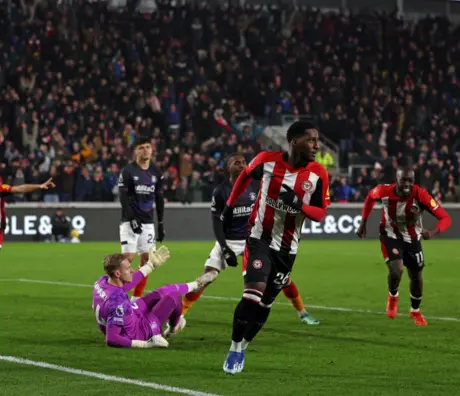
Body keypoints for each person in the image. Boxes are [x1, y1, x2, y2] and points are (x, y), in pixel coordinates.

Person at [220, 120, 330, 374]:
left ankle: (244, 344)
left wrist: (299, 205)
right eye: (311, 140)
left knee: (266, 302)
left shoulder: (318, 174)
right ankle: (235, 346)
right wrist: (229, 206)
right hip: (260, 238)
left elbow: (320, 214)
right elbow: (245, 176)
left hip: (287, 249)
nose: (316, 145)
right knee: (253, 293)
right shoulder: (266, 160)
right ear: (294, 141)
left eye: (317, 140)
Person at [177, 153, 320, 334]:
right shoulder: (220, 191)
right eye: (236, 162)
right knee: (207, 278)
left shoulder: (258, 185)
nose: (242, 164)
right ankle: (179, 315)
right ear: (228, 168)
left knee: (281, 278)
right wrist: (225, 248)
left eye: (244, 162)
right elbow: (217, 222)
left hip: (253, 239)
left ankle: (302, 312)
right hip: (228, 240)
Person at [355, 167, 451, 326]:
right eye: (403, 180)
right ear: (396, 180)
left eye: (410, 181)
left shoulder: (421, 195)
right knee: (396, 270)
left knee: (417, 277)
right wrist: (363, 223)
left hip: (413, 239)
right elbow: (370, 197)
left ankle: (415, 311)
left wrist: (432, 233)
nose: (407, 184)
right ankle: (393, 296)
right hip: (390, 235)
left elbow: (446, 219)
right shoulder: (384, 191)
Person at [92, 246, 214, 348]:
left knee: (163, 291)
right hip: (139, 331)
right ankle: (173, 328)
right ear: (117, 273)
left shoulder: (102, 282)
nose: (133, 271)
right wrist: (145, 344)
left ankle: (197, 284)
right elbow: (111, 339)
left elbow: (130, 282)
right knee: (173, 296)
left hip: (130, 315)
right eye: (128, 268)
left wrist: (151, 265)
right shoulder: (117, 301)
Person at [117, 137, 165, 301]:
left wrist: (160, 223)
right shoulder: (128, 171)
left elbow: (159, 199)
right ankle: (117, 295)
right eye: (141, 147)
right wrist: (132, 219)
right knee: (127, 260)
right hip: (129, 221)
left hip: (148, 223)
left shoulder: (156, 173)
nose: (145, 150)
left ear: (152, 150)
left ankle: (136, 299)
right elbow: (123, 198)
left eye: (148, 147)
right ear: (136, 151)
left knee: (147, 262)